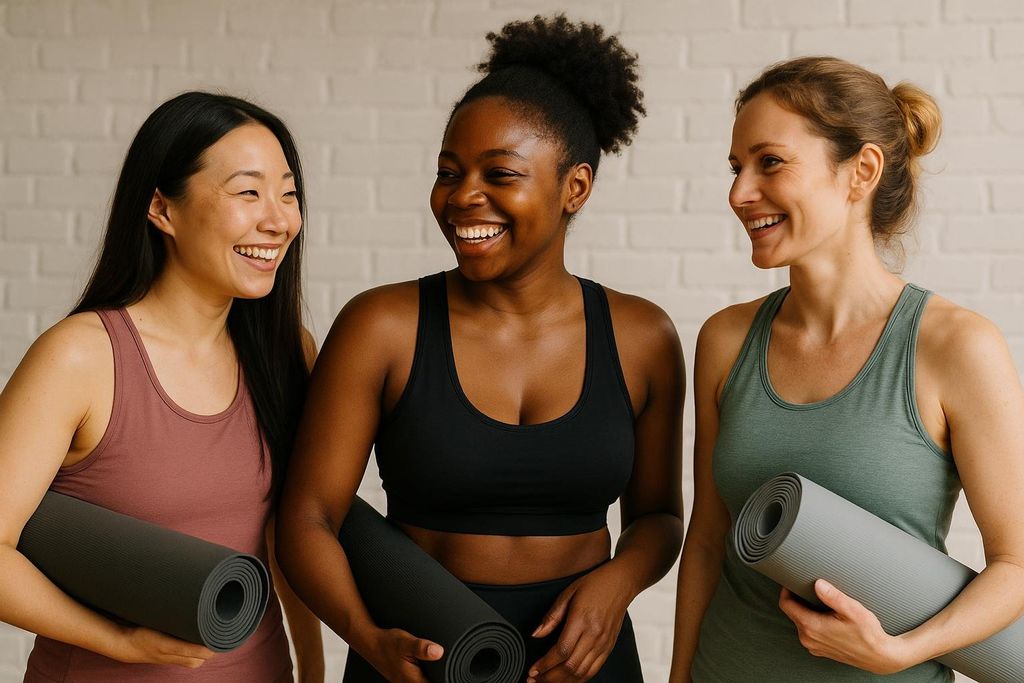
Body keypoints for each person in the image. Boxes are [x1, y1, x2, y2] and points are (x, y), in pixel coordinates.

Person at [277, 14, 684, 683]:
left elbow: (661, 516)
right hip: (418, 649)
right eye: (449, 171)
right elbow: (308, 514)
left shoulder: (644, 337)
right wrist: (366, 634)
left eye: (500, 173)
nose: (463, 197)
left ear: (574, 187)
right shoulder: (383, 325)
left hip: (580, 660)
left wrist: (617, 586)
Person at [669, 56, 1024, 682]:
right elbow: (706, 539)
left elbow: (1015, 567)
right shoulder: (727, 339)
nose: (738, 193)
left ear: (860, 171)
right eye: (735, 168)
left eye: (769, 162)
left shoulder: (956, 346)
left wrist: (903, 652)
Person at [0, 92, 324, 682]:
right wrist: (117, 641)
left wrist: (314, 671)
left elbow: (288, 538)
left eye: (288, 193)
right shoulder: (80, 357)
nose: (278, 220)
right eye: (248, 191)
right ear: (161, 209)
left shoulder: (286, 351)